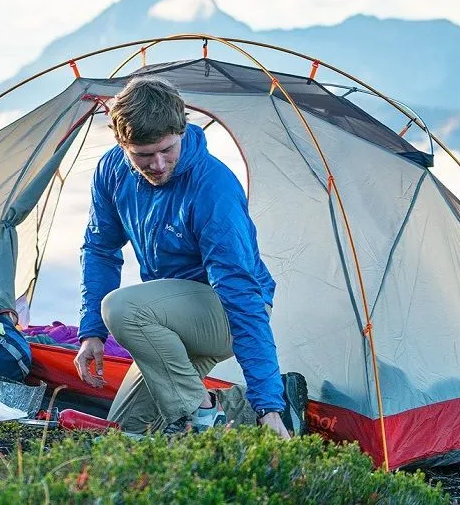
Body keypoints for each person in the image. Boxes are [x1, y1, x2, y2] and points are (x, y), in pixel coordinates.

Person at [74, 76, 305, 439]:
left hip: (223, 313)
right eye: (143, 155)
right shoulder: (113, 171)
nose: (159, 165)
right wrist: (91, 333)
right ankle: (247, 411)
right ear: (122, 145)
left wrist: (269, 405)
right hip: (170, 321)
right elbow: (100, 249)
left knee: (121, 308)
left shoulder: (214, 189)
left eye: (167, 149)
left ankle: (213, 412)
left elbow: (241, 295)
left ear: (181, 130)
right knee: (130, 431)